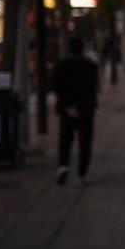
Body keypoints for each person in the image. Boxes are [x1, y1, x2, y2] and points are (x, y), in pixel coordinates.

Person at [53, 36, 100, 187]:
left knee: (65, 140)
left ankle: (63, 166)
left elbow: (58, 88)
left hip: (67, 109)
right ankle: (81, 173)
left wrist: (67, 105)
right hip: (85, 108)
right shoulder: (90, 66)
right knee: (85, 142)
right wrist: (93, 106)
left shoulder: (61, 66)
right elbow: (93, 88)